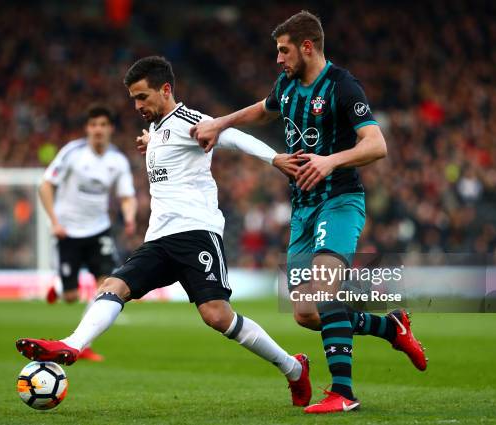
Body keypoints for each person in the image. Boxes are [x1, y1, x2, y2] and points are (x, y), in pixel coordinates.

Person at [16, 56, 312, 406]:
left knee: (217, 316)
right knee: (113, 286)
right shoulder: (155, 130)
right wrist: (150, 142)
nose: (137, 105)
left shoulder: (191, 120)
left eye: (142, 97)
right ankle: (73, 344)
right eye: (133, 99)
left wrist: (275, 158)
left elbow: (231, 135)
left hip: (196, 233)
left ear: (166, 89)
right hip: (158, 239)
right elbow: (165, 143)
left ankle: (293, 369)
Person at [190, 11, 427, 414]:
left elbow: (376, 144)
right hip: (302, 208)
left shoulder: (342, 85)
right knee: (305, 313)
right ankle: (390, 326)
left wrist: (331, 161)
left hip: (339, 200)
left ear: (307, 46)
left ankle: (343, 392)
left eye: (284, 51)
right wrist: (221, 122)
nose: (278, 59)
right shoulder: (286, 84)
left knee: (325, 289)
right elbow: (265, 109)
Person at [39, 104, 137, 361]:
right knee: (71, 297)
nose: (98, 130)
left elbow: (127, 196)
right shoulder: (72, 153)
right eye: (94, 125)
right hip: (68, 231)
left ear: (110, 129)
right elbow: (46, 185)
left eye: (103, 125)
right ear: (87, 128)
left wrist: (129, 217)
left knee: (106, 286)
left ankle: (83, 344)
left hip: (99, 230)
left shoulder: (117, 161)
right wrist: (54, 221)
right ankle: (61, 286)